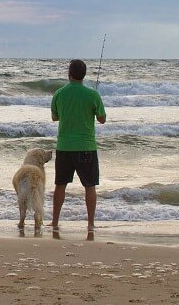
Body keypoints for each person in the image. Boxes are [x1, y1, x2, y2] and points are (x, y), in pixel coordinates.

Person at [50, 59, 106, 231]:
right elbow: (102, 119)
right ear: (84, 75)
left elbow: (55, 117)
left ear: (69, 74)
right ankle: (90, 224)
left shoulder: (59, 93)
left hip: (64, 146)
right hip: (86, 147)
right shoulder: (93, 95)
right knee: (90, 186)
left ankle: (55, 222)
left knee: (60, 185)